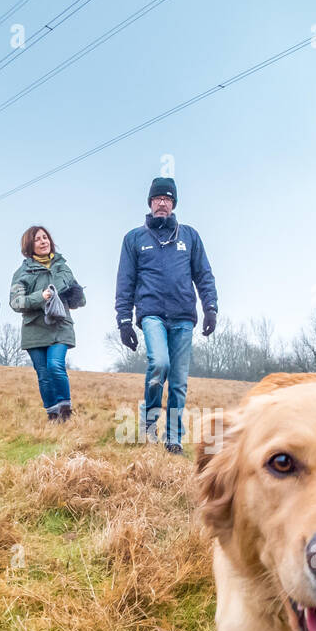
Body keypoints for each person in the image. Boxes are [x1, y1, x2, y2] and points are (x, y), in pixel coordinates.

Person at [115, 176, 217, 454]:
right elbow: (125, 281)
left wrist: (210, 308)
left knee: (179, 381)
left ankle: (173, 438)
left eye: (168, 198)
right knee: (159, 364)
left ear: (173, 204)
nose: (162, 202)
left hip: (183, 316)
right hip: (151, 314)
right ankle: (149, 424)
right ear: (150, 202)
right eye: (158, 198)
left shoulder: (189, 236)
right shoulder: (134, 239)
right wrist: (124, 320)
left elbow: (203, 274)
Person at [11, 224, 80, 423]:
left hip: (60, 325)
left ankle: (65, 411)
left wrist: (77, 296)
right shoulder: (21, 273)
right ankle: (52, 415)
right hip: (34, 329)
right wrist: (40, 297)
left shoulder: (63, 266)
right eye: (38, 239)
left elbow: (77, 298)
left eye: (45, 238)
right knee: (43, 374)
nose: (43, 242)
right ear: (29, 246)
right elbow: (16, 302)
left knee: (55, 365)